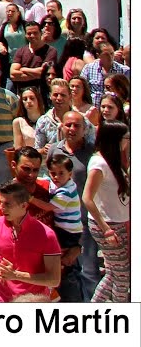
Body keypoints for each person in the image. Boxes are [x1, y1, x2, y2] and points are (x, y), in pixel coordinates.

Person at [84, 122, 131, 302]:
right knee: (123, 277)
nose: (128, 142)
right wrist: (106, 230)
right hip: (108, 225)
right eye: (126, 138)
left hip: (118, 221)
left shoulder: (113, 159)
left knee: (113, 273)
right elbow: (87, 198)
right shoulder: (99, 164)